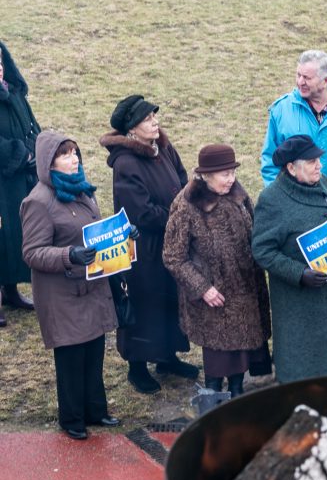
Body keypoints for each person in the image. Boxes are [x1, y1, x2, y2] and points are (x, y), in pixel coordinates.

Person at [20, 131, 124, 439]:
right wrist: (69, 255)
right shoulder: (37, 201)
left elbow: (96, 232)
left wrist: (123, 235)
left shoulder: (83, 191)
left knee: (93, 351)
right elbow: (32, 252)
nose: (74, 158)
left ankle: (96, 410)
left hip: (90, 286)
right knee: (71, 357)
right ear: (48, 163)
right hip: (61, 294)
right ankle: (72, 418)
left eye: (75, 152)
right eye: (65, 154)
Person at [100, 95, 198, 393]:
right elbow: (140, 212)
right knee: (145, 304)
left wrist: (184, 210)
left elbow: (183, 181)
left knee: (170, 299)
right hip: (144, 248)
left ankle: (167, 357)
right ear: (132, 129)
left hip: (170, 242)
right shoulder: (126, 163)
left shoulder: (164, 148)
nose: (155, 122)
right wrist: (177, 219)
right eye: (147, 119)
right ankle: (137, 367)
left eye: (155, 116)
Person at [252, 136, 327, 382]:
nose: (319, 166)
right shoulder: (272, 200)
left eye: (319, 160)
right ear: (291, 167)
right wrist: (299, 274)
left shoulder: (323, 182)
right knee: (307, 365)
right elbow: (262, 250)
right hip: (301, 304)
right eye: (311, 161)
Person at [163, 145, 272, 396]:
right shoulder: (186, 204)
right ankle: (211, 404)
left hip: (245, 291)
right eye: (225, 174)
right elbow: (173, 257)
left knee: (242, 356)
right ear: (206, 175)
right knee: (219, 358)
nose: (231, 179)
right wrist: (203, 288)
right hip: (214, 298)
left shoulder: (238, 194)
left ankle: (237, 395)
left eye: (232, 172)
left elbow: (255, 232)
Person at [260, 49, 327, 200]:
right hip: (296, 207)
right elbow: (270, 163)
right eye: (298, 75)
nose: (300, 82)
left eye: (307, 78)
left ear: (326, 80)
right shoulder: (281, 111)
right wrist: (282, 202)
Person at [0, 40, 41, 325]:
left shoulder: (14, 93)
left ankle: (11, 290)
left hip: (19, 177)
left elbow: (31, 126)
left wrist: (35, 148)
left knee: (17, 233)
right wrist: (17, 152)